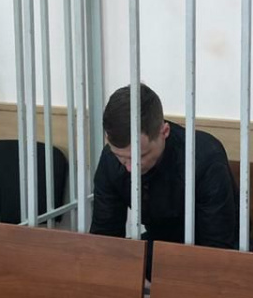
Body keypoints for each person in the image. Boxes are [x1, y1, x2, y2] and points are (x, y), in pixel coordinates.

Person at [90, 84, 239, 249]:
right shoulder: (110, 159)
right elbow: (104, 238)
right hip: (161, 244)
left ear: (164, 132)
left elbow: (217, 247)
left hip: (219, 249)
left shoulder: (204, 158)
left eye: (140, 157)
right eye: (121, 157)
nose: (130, 168)